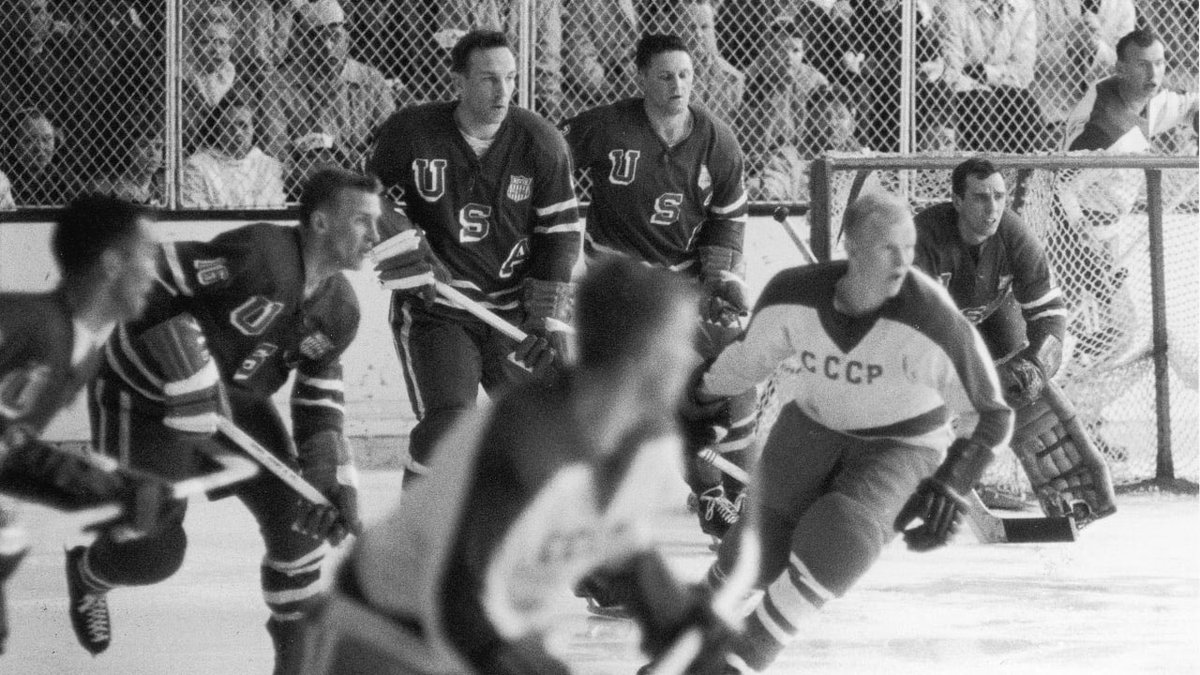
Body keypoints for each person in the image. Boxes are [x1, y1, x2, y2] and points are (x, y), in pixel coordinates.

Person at [299, 256, 741, 675]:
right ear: (641, 356)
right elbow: (458, 605)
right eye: (680, 341)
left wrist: (680, 622)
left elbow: (625, 550)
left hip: (471, 634)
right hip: (380, 639)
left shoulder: (644, 440)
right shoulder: (524, 443)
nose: (688, 358)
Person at [65, 168, 381, 674]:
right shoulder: (260, 254)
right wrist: (182, 364)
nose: (376, 236)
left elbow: (318, 401)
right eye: (363, 222)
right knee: (154, 554)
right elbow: (152, 276)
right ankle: (87, 573)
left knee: (301, 525)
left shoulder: (341, 310)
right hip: (143, 398)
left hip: (231, 403)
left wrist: (329, 477)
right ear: (320, 223)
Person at [690, 192, 1013, 674]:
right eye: (888, 248)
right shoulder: (792, 295)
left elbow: (991, 415)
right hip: (810, 427)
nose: (904, 260)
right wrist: (691, 401)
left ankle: (741, 659)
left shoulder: (932, 319)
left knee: (840, 536)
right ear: (853, 249)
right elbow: (745, 362)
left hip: (902, 446)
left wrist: (954, 481)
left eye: (910, 246)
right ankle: (691, 632)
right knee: (753, 553)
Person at [366, 29, 583, 480]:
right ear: (458, 80)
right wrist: (404, 249)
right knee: (448, 428)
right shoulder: (410, 135)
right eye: (488, 79)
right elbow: (373, 207)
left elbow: (559, 235)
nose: (502, 91)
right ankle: (420, 542)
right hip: (440, 312)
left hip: (514, 313)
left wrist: (548, 319)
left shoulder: (541, 144)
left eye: (509, 78)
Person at [562, 32, 752, 545]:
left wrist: (720, 280)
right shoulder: (599, 129)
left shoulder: (718, 141)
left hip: (684, 287)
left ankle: (728, 495)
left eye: (686, 75)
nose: (677, 85)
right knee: (644, 403)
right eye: (665, 75)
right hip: (619, 290)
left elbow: (728, 219)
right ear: (640, 77)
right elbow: (547, 177)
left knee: (728, 378)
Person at [0, 194, 163, 654]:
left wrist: (107, 489)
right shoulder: (30, 327)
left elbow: (9, 449)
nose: (156, 272)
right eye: (148, 254)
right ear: (112, 263)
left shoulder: (82, 356)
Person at [911, 158, 1084, 512]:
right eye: (980, 198)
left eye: (999, 196)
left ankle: (1006, 481)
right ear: (957, 201)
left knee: (1024, 383)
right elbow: (914, 333)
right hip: (923, 335)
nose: (993, 208)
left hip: (986, 316)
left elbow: (1051, 314)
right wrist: (978, 377)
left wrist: (1035, 367)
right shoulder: (924, 237)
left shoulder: (1014, 234)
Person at [263, 0, 395, 180]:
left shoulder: (373, 82)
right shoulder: (278, 84)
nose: (327, 47)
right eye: (318, 39)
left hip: (359, 182)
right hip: (304, 183)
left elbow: (387, 145)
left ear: (347, 38)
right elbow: (276, 151)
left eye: (334, 37)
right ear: (304, 44)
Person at [933, 0, 1047, 153]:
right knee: (980, 102)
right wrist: (982, 84)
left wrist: (984, 72)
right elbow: (953, 71)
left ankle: (1024, 172)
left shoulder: (1023, 7)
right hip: (963, 91)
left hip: (1002, 87)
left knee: (1024, 103)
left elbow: (1023, 71)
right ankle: (984, 169)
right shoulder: (951, 7)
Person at [752, 86, 869, 202]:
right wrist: (772, 192)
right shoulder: (789, 158)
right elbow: (775, 182)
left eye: (840, 117)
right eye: (824, 117)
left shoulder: (864, 159)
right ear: (809, 121)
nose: (833, 123)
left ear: (852, 123)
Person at [181, 93, 286, 208]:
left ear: (254, 129)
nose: (237, 133)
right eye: (228, 126)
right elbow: (195, 215)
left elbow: (274, 209)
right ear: (216, 131)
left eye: (244, 125)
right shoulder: (197, 166)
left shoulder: (268, 166)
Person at [678, 0, 745, 124]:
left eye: (704, 27)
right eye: (691, 27)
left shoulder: (733, 79)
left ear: (713, 30)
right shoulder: (669, 77)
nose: (698, 34)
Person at [0, 107, 77, 207]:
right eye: (29, 141)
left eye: (47, 139)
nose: (40, 148)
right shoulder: (2, 182)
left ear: (57, 141)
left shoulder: (66, 180)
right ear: (12, 144)